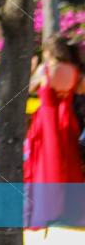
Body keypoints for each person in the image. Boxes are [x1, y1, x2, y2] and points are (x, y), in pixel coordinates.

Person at [24, 33, 85, 227]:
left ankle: (45, 210)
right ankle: (69, 210)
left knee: (45, 163)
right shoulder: (75, 71)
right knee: (69, 163)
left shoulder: (46, 69)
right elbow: (81, 90)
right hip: (67, 120)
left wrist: (31, 70)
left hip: (47, 120)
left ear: (48, 50)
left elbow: (29, 89)